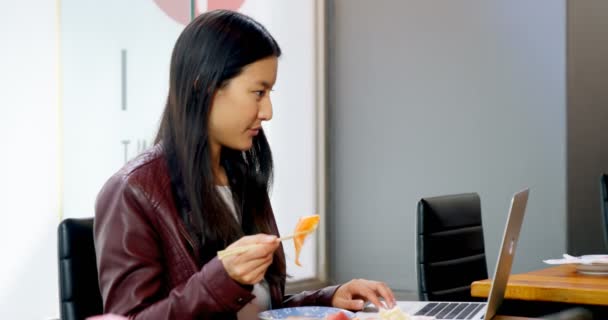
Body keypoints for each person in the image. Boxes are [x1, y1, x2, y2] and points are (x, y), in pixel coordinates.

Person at [94, 9, 395, 320]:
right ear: (204, 86)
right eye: (258, 92)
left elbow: (257, 308)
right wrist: (221, 280)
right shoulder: (132, 191)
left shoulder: (241, 177)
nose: (267, 111)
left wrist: (329, 298)